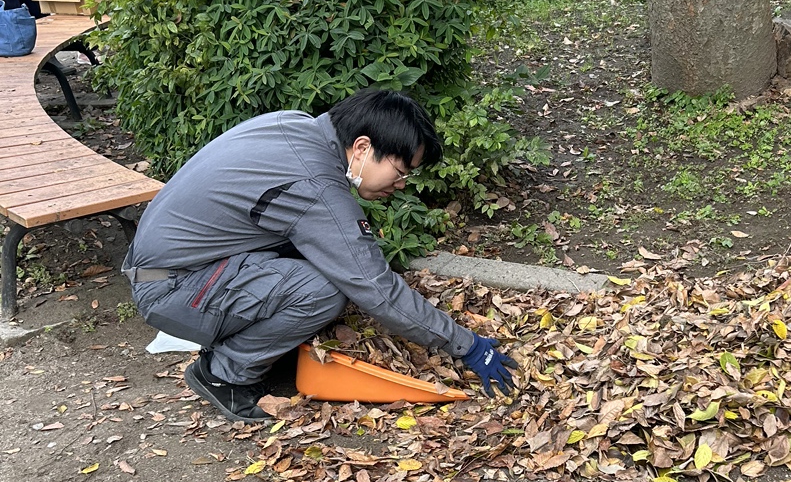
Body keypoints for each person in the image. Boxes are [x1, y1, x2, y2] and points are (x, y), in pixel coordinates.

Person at [122, 89, 517, 421]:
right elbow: (376, 291)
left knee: (324, 264)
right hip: (173, 289)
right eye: (400, 171)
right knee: (322, 291)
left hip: (174, 269)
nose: (401, 184)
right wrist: (468, 346)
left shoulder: (294, 124)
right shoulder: (315, 186)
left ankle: (244, 341)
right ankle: (224, 374)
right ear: (362, 147)